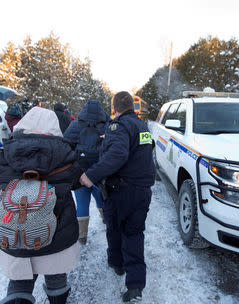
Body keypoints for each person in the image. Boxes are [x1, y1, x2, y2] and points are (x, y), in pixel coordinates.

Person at [0, 107, 83, 304]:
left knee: (19, 279)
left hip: (14, 230)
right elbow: (77, 180)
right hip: (56, 230)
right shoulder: (65, 154)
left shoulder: (5, 154)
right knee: (55, 274)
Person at [79, 91, 155, 303]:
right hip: (142, 191)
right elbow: (137, 149)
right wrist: (109, 139)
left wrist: (90, 175)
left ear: (114, 108)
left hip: (122, 191)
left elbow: (118, 154)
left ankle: (117, 263)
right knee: (135, 234)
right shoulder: (142, 126)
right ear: (133, 107)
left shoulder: (117, 126)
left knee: (115, 228)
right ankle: (135, 286)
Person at [63, 99, 109, 245]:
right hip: (99, 173)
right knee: (101, 199)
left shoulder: (75, 126)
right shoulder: (107, 127)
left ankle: (82, 236)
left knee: (82, 204)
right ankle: (106, 220)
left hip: (80, 174)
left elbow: (65, 147)